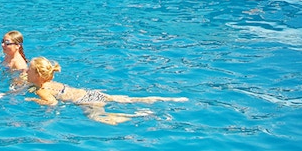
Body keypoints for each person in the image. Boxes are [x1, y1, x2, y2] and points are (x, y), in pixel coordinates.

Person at [24, 57, 187, 125]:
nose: (25, 72)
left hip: (86, 101)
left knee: (99, 118)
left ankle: (139, 115)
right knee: (129, 99)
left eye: (29, 70)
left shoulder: (42, 89)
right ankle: (167, 99)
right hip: (91, 93)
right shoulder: (52, 81)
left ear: (38, 75)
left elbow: (52, 104)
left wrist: (32, 100)